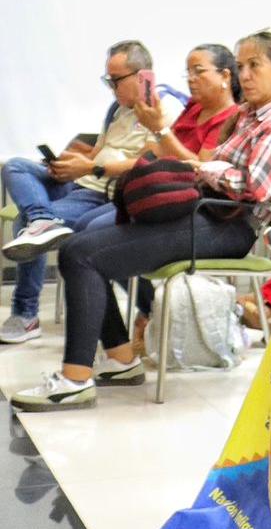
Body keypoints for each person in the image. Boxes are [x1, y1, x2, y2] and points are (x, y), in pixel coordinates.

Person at [10, 29, 271, 411]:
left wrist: (203, 167)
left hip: (226, 223)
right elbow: (205, 164)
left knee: (82, 255)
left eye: (255, 66)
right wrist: (198, 162)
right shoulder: (248, 117)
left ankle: (75, 380)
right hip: (203, 211)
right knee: (77, 247)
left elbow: (254, 186)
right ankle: (121, 360)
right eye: (242, 66)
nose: (246, 75)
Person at [0, 40, 182, 344]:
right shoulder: (117, 108)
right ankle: (42, 219)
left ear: (142, 75)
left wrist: (91, 168)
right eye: (107, 80)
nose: (111, 88)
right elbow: (99, 152)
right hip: (83, 183)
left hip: (106, 193)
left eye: (116, 80)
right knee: (15, 167)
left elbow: (149, 163)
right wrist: (70, 164)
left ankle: (25, 313)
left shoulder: (161, 110)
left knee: (23, 226)